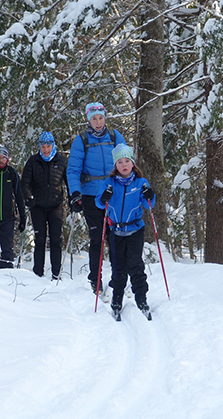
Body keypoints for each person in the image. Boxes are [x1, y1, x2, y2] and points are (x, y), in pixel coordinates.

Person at [66, 102, 125, 293]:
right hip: (91, 195)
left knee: (115, 238)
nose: (98, 122)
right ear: (88, 120)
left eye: (100, 118)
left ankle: (119, 279)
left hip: (114, 194)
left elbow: (126, 163)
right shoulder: (81, 140)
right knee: (97, 238)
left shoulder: (115, 137)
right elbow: (73, 169)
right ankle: (96, 279)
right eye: (94, 119)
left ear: (105, 118)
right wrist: (75, 193)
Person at [95, 144, 155, 321]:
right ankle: (117, 301)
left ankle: (141, 299)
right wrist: (104, 197)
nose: (123, 165)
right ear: (115, 165)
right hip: (116, 230)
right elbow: (99, 203)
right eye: (120, 162)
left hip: (135, 229)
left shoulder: (140, 182)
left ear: (132, 163)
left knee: (136, 265)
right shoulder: (109, 182)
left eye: (127, 161)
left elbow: (148, 204)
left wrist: (150, 194)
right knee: (118, 267)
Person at [21, 131, 68, 280]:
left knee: (55, 240)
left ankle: (56, 274)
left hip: (55, 206)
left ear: (53, 145)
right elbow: (25, 182)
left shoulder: (61, 161)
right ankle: (38, 274)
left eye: (48, 146)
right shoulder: (33, 161)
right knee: (39, 239)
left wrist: (74, 198)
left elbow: (69, 182)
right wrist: (28, 197)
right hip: (38, 206)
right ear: (39, 147)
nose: (46, 150)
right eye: (43, 147)